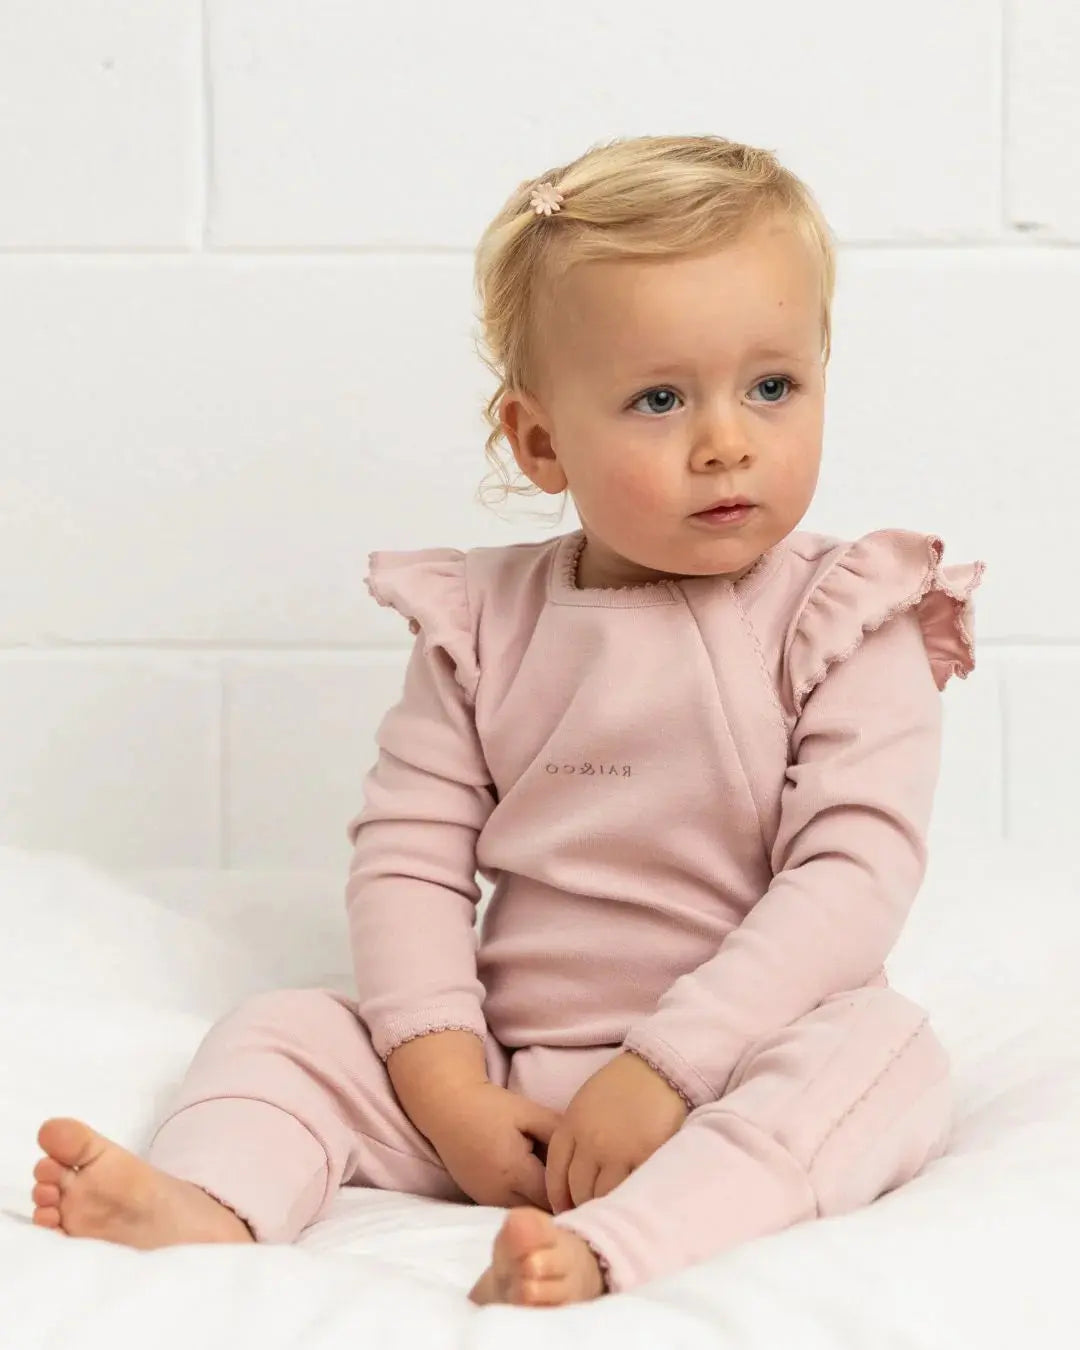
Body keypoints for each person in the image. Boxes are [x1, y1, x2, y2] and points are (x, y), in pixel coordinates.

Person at [30, 133, 984, 1308]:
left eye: (773, 387)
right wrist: (450, 1094)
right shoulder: (481, 625)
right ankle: (211, 1202)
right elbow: (410, 860)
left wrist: (666, 1071)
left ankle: (615, 1246)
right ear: (539, 441)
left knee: (884, 1059)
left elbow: (852, 875)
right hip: (513, 1081)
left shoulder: (847, 616)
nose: (728, 440)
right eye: (660, 398)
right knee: (285, 1031)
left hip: (738, 1061)